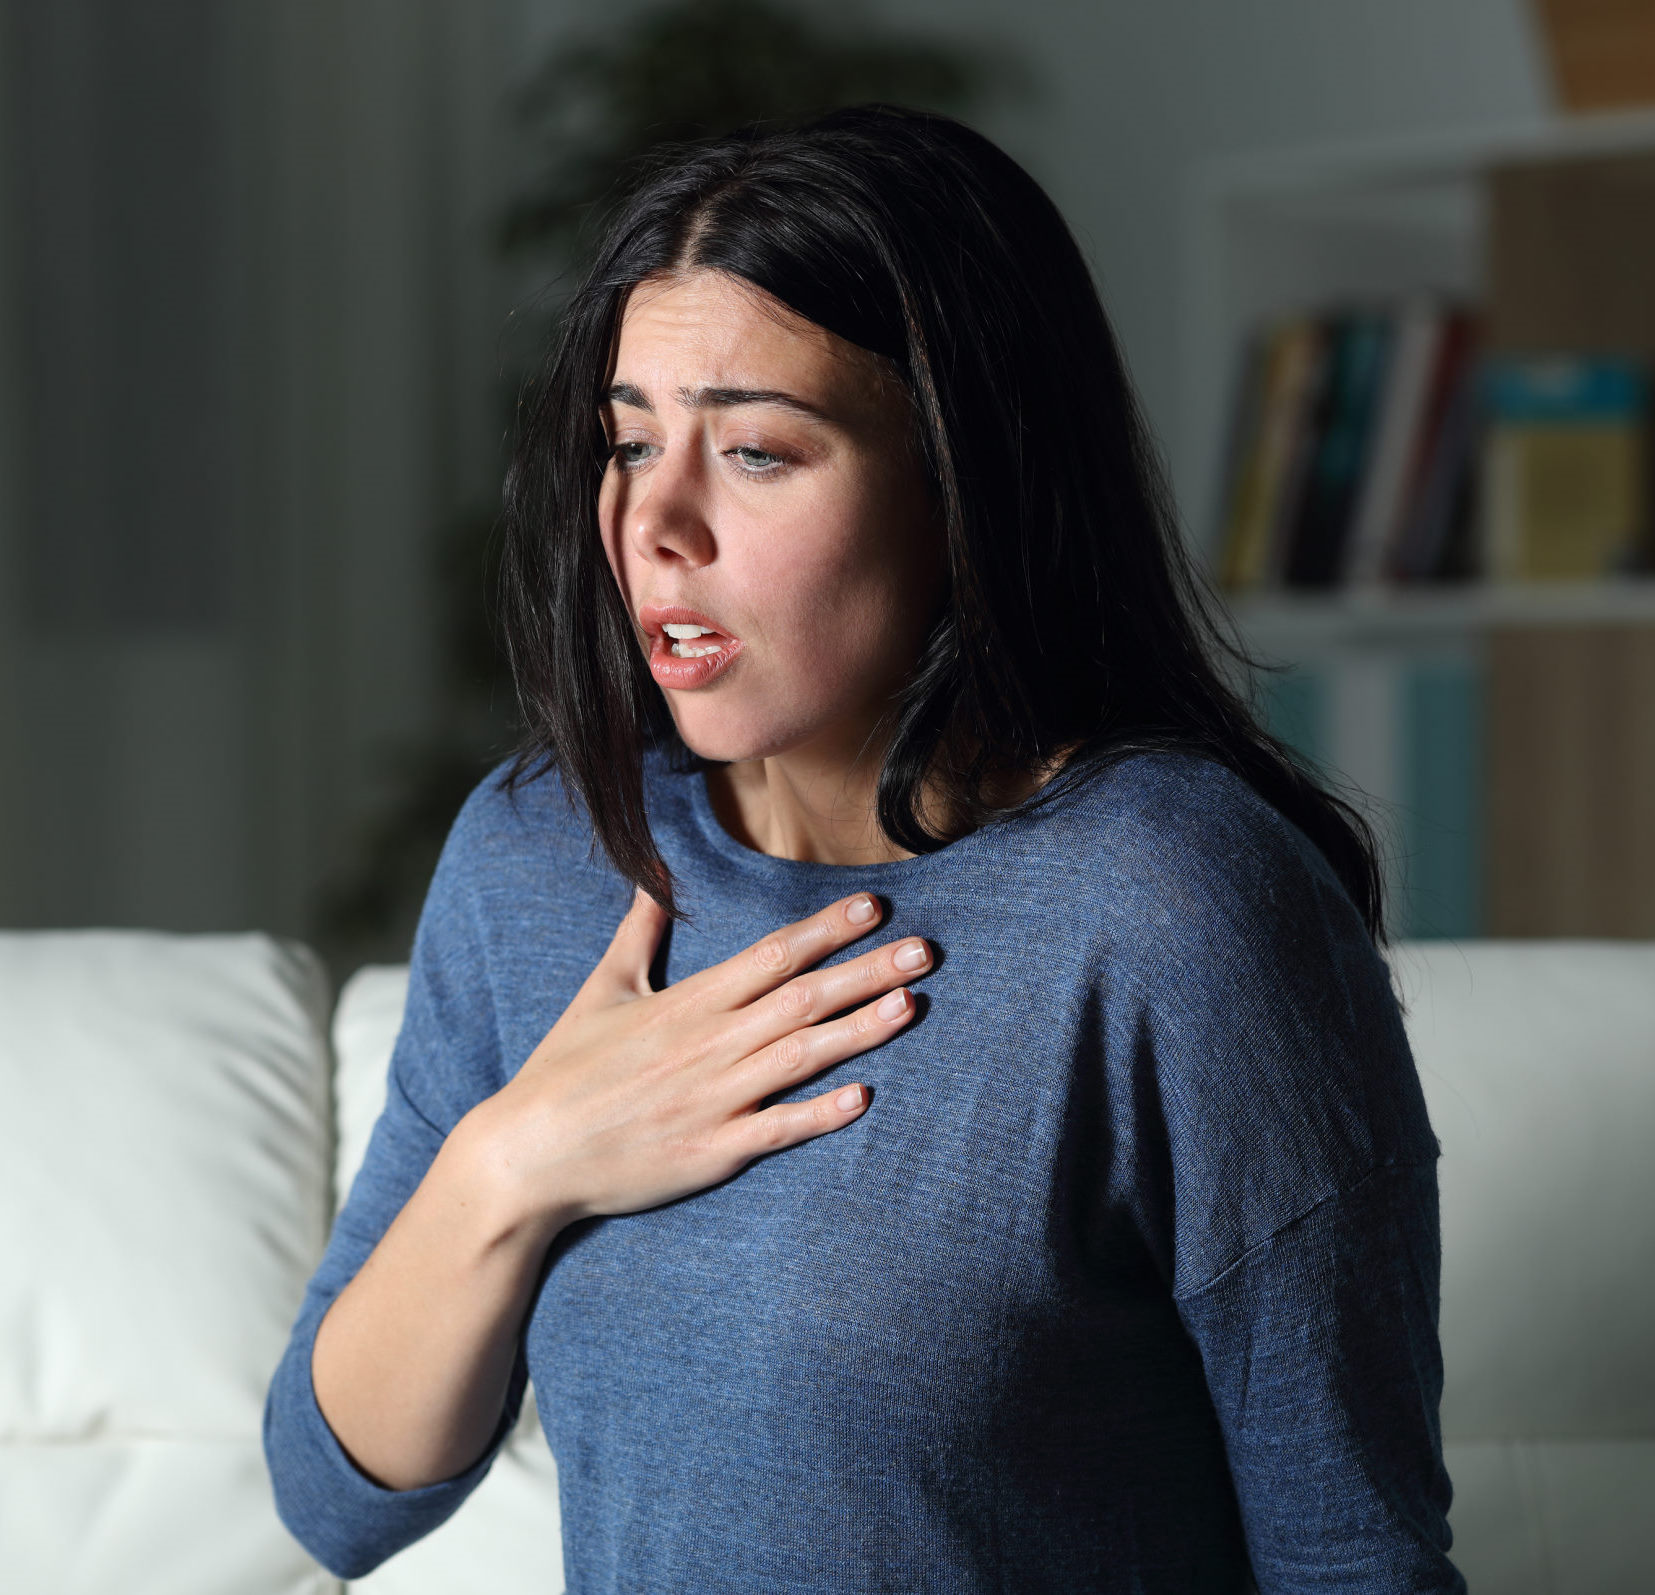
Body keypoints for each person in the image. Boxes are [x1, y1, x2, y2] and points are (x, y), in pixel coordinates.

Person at [263, 103, 1465, 1592]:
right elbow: (335, 1497)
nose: (657, 524)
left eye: (759, 451)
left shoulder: (1177, 909)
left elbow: (1357, 1568)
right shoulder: (543, 857)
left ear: (966, 482)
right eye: (631, 442)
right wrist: (524, 1158)